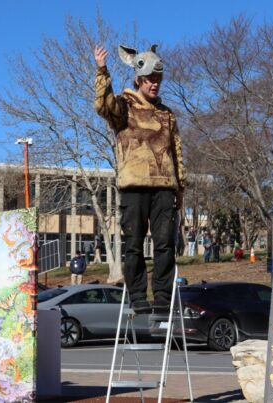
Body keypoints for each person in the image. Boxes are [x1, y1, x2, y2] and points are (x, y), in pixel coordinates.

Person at [94, 44, 186, 311]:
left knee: (165, 245)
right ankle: (136, 296)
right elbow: (102, 105)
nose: (154, 85)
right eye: (149, 80)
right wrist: (102, 70)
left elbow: (176, 151)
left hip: (164, 187)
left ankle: (162, 297)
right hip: (134, 186)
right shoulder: (124, 106)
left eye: (157, 80)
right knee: (133, 244)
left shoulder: (167, 114)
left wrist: (181, 187)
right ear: (138, 79)